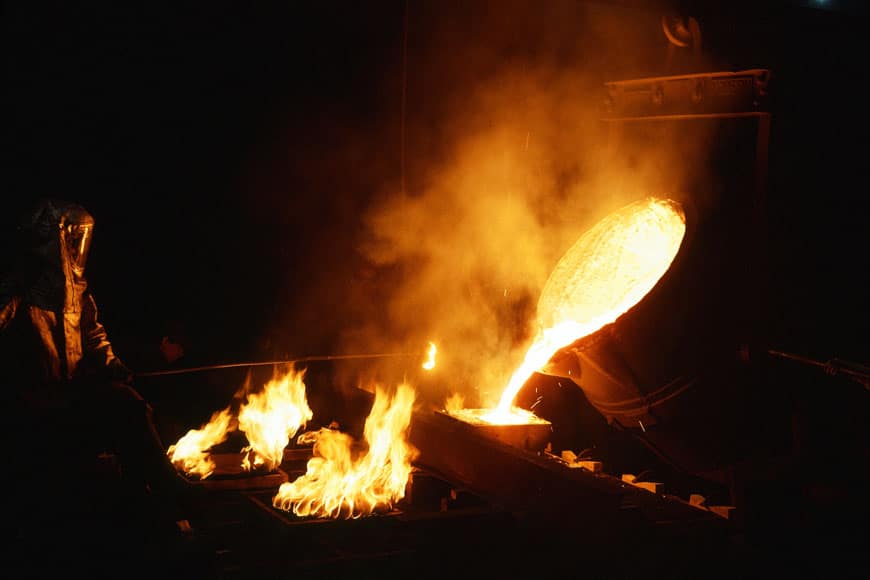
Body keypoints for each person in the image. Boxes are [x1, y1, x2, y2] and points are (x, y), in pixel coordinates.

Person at [0, 198, 198, 544]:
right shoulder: (18, 289)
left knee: (132, 405)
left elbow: (93, 334)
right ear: (52, 241)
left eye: (81, 239)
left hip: (68, 394)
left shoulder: (77, 290)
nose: (78, 248)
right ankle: (168, 491)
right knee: (124, 406)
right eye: (72, 239)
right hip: (33, 402)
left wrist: (112, 364)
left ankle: (153, 501)